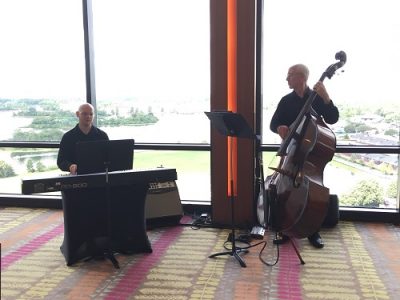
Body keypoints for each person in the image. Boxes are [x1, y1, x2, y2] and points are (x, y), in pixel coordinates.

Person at [269, 64, 339, 249]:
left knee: (311, 194)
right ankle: (285, 229)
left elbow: (332, 118)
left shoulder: (316, 98)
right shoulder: (285, 101)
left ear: (301, 77)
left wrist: (326, 97)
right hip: (290, 153)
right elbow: (274, 123)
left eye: (290, 75)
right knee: (284, 192)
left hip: (309, 158)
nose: (286, 79)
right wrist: (279, 128)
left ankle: (312, 230)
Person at [57, 103, 109, 174]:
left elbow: (109, 158)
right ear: (77, 114)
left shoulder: (102, 135)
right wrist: (70, 166)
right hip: (77, 177)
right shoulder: (67, 137)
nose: (88, 117)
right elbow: (61, 161)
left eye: (91, 114)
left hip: (99, 176)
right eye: (84, 114)